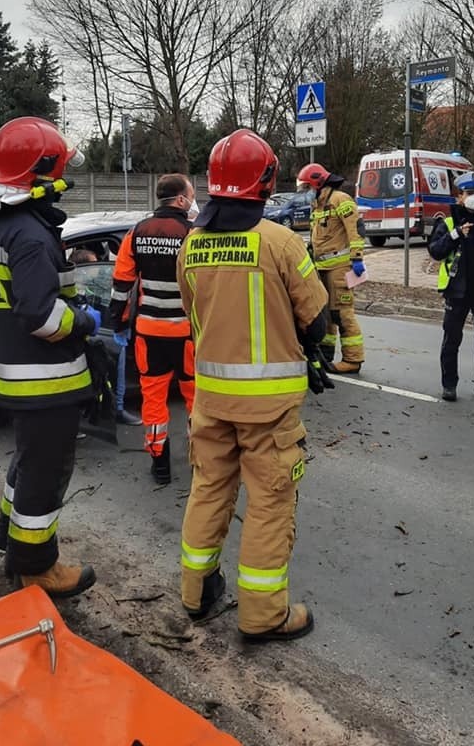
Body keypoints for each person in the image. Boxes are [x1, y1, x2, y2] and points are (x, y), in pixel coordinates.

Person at [177, 129, 329, 643]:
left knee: (208, 490)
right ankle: (264, 616)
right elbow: (319, 320)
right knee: (269, 502)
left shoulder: (191, 244)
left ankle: (196, 594)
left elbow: (193, 313)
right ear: (265, 181)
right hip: (270, 412)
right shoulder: (281, 242)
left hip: (211, 399)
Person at [0, 116, 101, 598]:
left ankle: (12, 542)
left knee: (27, 464)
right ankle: (36, 568)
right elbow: (41, 317)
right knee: (46, 474)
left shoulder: (2, 224)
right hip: (44, 381)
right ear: (44, 171)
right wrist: (86, 321)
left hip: (18, 377)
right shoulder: (28, 234)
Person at [110, 173, 197, 484]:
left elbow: (121, 283)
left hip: (149, 332)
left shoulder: (137, 233)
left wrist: (117, 320)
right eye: (191, 193)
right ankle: (200, 461)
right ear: (181, 199)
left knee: (153, 399)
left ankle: (160, 465)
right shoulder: (192, 233)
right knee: (194, 397)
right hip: (187, 333)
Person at [427, 171, 474, 402]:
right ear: (459, 196)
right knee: (452, 339)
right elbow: (436, 251)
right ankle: (449, 384)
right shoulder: (449, 221)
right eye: (470, 193)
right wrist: (456, 234)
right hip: (457, 290)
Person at [296, 162, 366, 373]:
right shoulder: (317, 204)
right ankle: (326, 355)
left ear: (317, 183)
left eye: (306, 188)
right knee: (325, 313)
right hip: (322, 266)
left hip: (340, 267)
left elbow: (355, 231)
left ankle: (353, 359)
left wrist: (357, 258)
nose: (304, 193)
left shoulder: (340, 200)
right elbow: (316, 236)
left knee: (341, 313)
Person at [69, 244, 142, 427]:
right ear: (83, 270)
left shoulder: (90, 288)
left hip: (101, 329)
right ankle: (116, 409)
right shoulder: (78, 289)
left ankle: (113, 408)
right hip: (90, 333)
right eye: (94, 266)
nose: (99, 270)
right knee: (117, 355)